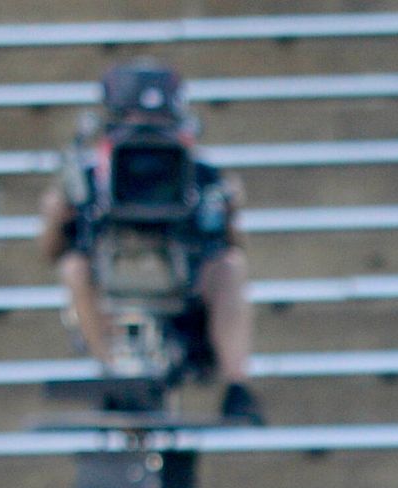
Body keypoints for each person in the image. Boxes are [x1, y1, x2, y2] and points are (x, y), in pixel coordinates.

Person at [39, 61, 261, 425]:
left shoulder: (198, 173)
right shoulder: (89, 177)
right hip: (112, 280)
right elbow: (52, 252)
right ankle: (112, 373)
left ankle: (238, 385)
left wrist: (230, 212)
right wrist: (56, 216)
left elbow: (232, 244)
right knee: (74, 269)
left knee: (231, 268)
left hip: (183, 285)